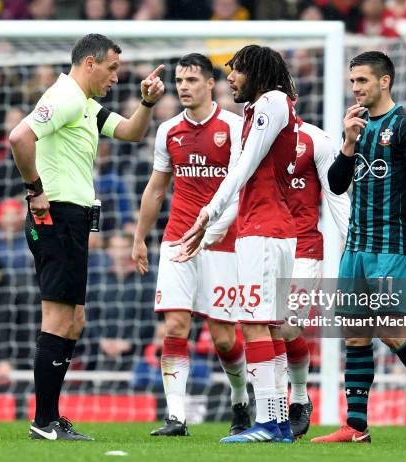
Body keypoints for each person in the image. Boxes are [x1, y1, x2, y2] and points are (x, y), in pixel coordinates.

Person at [9, 33, 165, 441]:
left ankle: (50, 418)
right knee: (59, 318)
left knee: (74, 319)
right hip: (55, 215)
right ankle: (43, 422)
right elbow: (19, 137)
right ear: (90, 63)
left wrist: (147, 102)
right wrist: (35, 190)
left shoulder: (86, 104)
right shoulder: (64, 97)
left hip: (72, 220)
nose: (117, 76)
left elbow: (130, 131)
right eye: (112, 68)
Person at [310, 51, 406, 445]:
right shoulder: (357, 127)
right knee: (356, 333)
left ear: (385, 81)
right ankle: (356, 427)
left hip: (393, 244)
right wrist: (347, 142)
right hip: (356, 244)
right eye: (352, 81)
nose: (355, 88)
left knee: (391, 331)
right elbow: (338, 185)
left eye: (362, 81)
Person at [173, 45, 299, 443]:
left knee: (255, 325)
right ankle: (277, 423)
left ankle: (266, 423)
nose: (230, 78)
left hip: (264, 230)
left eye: (236, 71)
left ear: (256, 71)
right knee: (271, 326)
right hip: (265, 226)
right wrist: (208, 230)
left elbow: (241, 169)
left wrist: (208, 211)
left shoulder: (271, 103)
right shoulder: (265, 108)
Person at [132, 53, 250, 437]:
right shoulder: (168, 130)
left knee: (223, 336)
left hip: (222, 242)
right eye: (180, 80)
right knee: (176, 326)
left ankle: (239, 399)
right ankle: (176, 417)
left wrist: (215, 230)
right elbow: (156, 189)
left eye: (191, 80)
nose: (183, 86)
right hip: (178, 239)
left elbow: (241, 190)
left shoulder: (234, 127)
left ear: (210, 84)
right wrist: (139, 238)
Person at [281, 116, 351, 438]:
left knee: (286, 325)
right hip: (260, 245)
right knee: (260, 329)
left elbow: (335, 194)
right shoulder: (250, 135)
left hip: (304, 248)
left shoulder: (315, 140)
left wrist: (354, 244)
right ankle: (262, 409)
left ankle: (297, 397)